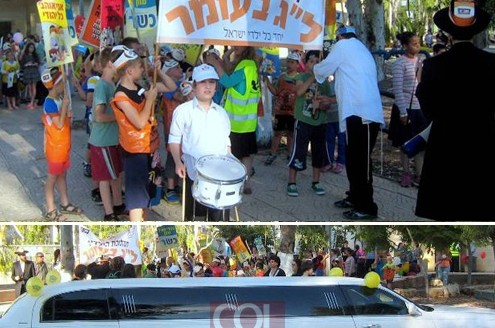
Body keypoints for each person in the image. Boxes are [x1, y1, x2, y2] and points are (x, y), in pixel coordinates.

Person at [415, 1, 495, 220]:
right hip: (483, 144)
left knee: (446, 210)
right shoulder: (491, 63)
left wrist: (422, 84)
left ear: (448, 34)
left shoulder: (433, 65)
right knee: (480, 208)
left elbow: (428, 111)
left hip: (445, 145)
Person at [313, 26, 384, 220]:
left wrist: (314, 67)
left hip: (364, 114)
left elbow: (323, 69)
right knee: (353, 161)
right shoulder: (360, 49)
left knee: (361, 163)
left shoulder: (343, 46)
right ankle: (354, 197)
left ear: (340, 36)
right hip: (356, 113)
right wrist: (333, 99)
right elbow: (351, 84)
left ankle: (367, 206)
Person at [110, 45, 175, 221]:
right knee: (136, 200)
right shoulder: (121, 96)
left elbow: (171, 86)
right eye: (139, 66)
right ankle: (136, 231)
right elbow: (138, 122)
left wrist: (158, 72)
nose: (142, 68)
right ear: (130, 71)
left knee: (147, 195)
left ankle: (143, 224)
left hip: (149, 147)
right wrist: (150, 100)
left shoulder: (139, 86)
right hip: (135, 151)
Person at [168, 63, 232, 221]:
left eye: (212, 82)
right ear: (194, 85)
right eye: (203, 82)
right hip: (194, 171)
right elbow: (174, 139)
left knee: (218, 219)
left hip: (218, 173)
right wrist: (177, 162)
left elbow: (226, 142)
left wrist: (231, 165)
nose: (208, 86)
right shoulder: (183, 111)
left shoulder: (222, 113)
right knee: (194, 218)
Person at [205, 46, 261, 195]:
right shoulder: (251, 65)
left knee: (234, 155)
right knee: (247, 155)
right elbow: (230, 71)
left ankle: (235, 182)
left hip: (236, 121)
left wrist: (215, 64)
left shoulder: (245, 65)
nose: (235, 46)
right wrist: (225, 57)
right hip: (248, 120)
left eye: (237, 45)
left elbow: (228, 82)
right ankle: (247, 183)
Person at [287, 50, 331, 197]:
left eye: (318, 62)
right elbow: (299, 92)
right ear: (305, 64)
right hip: (303, 120)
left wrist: (323, 104)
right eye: (312, 62)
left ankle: (316, 181)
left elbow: (328, 102)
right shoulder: (301, 76)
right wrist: (312, 78)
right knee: (299, 150)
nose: (315, 64)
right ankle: (292, 182)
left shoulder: (324, 82)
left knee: (318, 152)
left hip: (319, 122)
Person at [41, 66, 83, 221]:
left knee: (62, 175)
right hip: (54, 147)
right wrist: (65, 107)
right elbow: (58, 124)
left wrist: (67, 113)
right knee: (52, 177)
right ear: (56, 84)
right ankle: (51, 209)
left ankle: (65, 203)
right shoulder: (50, 102)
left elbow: (64, 121)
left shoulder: (58, 99)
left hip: (63, 144)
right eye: (62, 84)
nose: (64, 87)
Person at [89, 47, 125, 221]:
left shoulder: (112, 84)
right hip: (102, 141)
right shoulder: (102, 86)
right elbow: (99, 116)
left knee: (116, 175)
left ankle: (118, 205)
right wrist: (119, 117)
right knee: (105, 178)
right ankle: (109, 212)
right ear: (111, 64)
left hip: (112, 139)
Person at [389, 32, 429, 187]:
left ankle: (419, 174)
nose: (417, 46)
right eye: (413, 43)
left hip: (420, 108)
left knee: (419, 143)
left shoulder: (421, 62)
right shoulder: (399, 64)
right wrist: (403, 111)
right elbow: (398, 89)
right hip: (405, 106)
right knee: (404, 142)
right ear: (405, 46)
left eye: (418, 43)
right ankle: (406, 173)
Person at [263, 52, 299, 165]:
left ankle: (290, 155)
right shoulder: (282, 77)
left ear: (297, 64)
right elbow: (276, 92)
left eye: (292, 62)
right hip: (280, 111)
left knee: (291, 134)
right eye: (288, 61)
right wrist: (267, 82)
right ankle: (272, 154)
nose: (289, 64)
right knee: (277, 134)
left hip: (294, 113)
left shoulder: (300, 78)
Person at [19, 41, 41, 109]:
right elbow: (21, 63)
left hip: (34, 71)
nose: (32, 49)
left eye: (33, 47)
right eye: (30, 47)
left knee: (34, 87)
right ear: (28, 48)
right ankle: (32, 102)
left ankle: (32, 102)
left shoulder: (35, 55)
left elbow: (38, 63)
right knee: (29, 87)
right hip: (27, 71)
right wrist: (27, 64)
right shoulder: (24, 55)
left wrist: (35, 64)